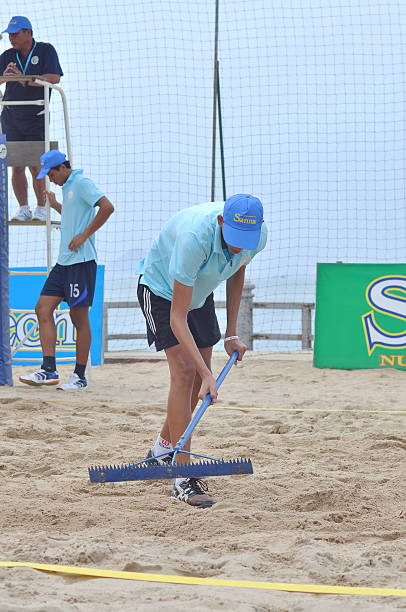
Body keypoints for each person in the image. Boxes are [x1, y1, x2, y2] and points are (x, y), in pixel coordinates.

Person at [137, 194, 267, 508]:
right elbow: (177, 318)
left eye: (245, 240)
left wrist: (232, 334)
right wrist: (209, 373)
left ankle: (160, 452)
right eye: (234, 238)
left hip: (200, 291)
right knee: (185, 373)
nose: (238, 246)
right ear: (222, 222)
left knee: (197, 383)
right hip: (163, 292)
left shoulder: (256, 237)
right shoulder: (195, 238)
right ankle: (182, 478)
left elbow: (237, 268)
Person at [19, 150, 114, 390]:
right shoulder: (66, 187)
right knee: (42, 308)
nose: (50, 178)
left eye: (51, 174)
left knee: (78, 317)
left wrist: (84, 235)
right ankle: (49, 370)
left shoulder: (81, 183)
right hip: (64, 263)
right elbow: (74, 217)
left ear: (62, 168)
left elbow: (107, 207)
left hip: (81, 263)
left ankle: (79, 377)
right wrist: (56, 205)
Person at [0, 16, 63, 222]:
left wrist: (24, 78)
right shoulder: (7, 55)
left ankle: (41, 208)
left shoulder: (45, 50)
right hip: (11, 115)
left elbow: (54, 77)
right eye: (9, 34)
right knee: (16, 165)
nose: (11, 38)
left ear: (28, 32)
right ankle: (23, 208)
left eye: (15, 33)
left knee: (37, 163)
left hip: (36, 115)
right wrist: (7, 77)